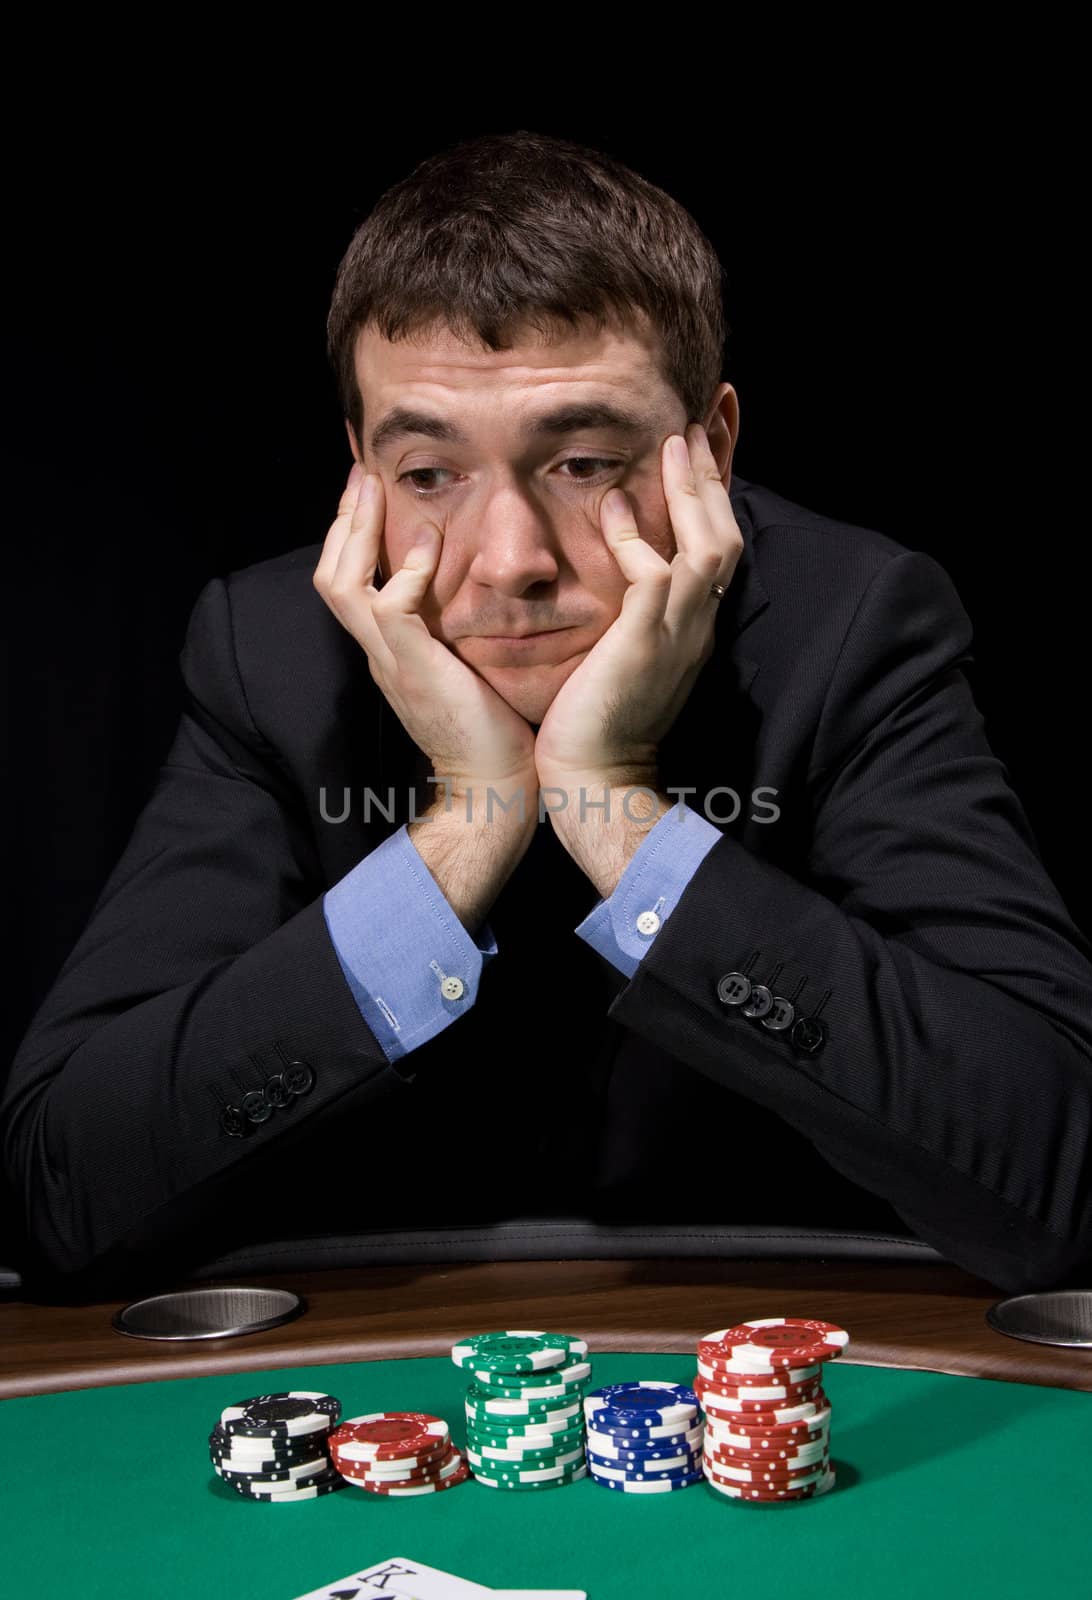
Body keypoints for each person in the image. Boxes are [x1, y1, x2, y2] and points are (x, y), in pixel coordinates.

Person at [5, 129, 1092, 1298]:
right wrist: (469, 822)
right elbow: (60, 1198)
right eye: (430, 474)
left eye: (580, 460)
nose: (510, 560)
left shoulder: (850, 626)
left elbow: (1066, 1175)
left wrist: (614, 803)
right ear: (360, 473)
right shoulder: (273, 655)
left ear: (711, 449)